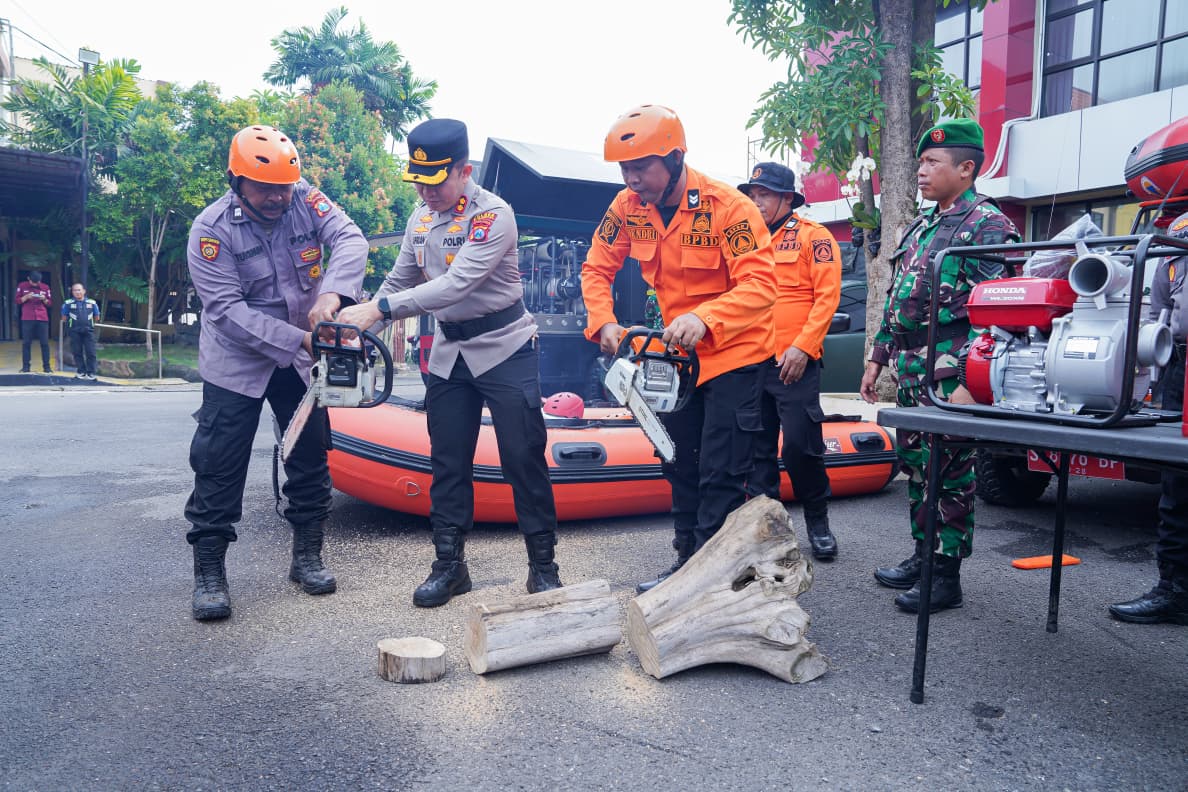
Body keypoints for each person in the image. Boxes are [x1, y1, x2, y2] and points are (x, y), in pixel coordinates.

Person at [336, 118, 563, 607]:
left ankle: (543, 568)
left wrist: (381, 310)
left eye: (434, 179)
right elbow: (398, 282)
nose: (424, 189)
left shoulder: (493, 216)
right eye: (417, 179)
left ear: (464, 170)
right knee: (448, 462)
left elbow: (457, 285)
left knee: (522, 458)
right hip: (449, 354)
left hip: (505, 347)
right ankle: (449, 565)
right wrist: (364, 326)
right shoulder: (420, 218)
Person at [580, 104, 778, 593]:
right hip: (678, 357)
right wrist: (601, 321)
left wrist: (704, 317)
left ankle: (714, 582)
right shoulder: (626, 207)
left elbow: (761, 284)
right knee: (679, 459)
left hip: (736, 353)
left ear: (673, 158)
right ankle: (687, 565)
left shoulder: (729, 207)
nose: (631, 179)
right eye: (624, 169)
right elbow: (596, 268)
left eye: (640, 166)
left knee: (721, 471)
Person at [184, 125, 367, 621]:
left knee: (309, 455)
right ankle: (210, 574)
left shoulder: (306, 199)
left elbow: (350, 238)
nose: (277, 198)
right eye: (265, 188)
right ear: (236, 181)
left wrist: (333, 294)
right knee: (219, 462)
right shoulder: (211, 229)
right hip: (237, 359)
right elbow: (226, 311)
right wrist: (299, 339)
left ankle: (307, 557)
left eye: (285, 187)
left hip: (302, 355)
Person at [860, 118, 1020, 613]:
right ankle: (922, 555)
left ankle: (945, 575)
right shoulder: (924, 223)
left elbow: (999, 311)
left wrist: (974, 380)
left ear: (966, 169)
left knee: (948, 472)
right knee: (916, 466)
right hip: (910, 366)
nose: (922, 171)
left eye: (933, 162)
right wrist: (878, 357)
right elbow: (897, 297)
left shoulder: (990, 225)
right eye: (921, 162)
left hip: (952, 370)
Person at [738, 162, 842, 561]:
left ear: (787, 198)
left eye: (763, 194)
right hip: (750, 362)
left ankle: (818, 522)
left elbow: (826, 297)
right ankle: (769, 534)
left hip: (794, 361)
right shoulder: (743, 241)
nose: (756, 201)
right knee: (756, 452)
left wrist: (804, 346)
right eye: (752, 194)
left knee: (801, 447)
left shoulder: (814, 238)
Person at [1108, 210, 1188, 624]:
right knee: (1178, 480)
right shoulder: (1177, 232)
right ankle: (1175, 591)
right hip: (1180, 361)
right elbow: (1160, 309)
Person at [16, 270, 53, 373]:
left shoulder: (45, 287)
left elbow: (50, 303)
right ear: (29, 279)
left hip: (42, 318)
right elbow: (17, 301)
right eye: (34, 282)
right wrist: (26, 297)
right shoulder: (22, 286)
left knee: (44, 343)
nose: (36, 284)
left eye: (37, 282)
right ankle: (26, 367)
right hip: (27, 317)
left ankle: (47, 367)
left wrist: (44, 299)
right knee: (26, 343)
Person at [62, 283, 100, 380]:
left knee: (91, 352)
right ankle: (81, 371)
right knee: (77, 352)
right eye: (75, 290)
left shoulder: (92, 303)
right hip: (74, 332)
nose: (77, 292)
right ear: (72, 292)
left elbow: (97, 317)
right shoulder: (68, 303)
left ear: (84, 291)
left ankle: (91, 373)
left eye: (79, 290)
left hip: (88, 331)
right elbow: (64, 317)